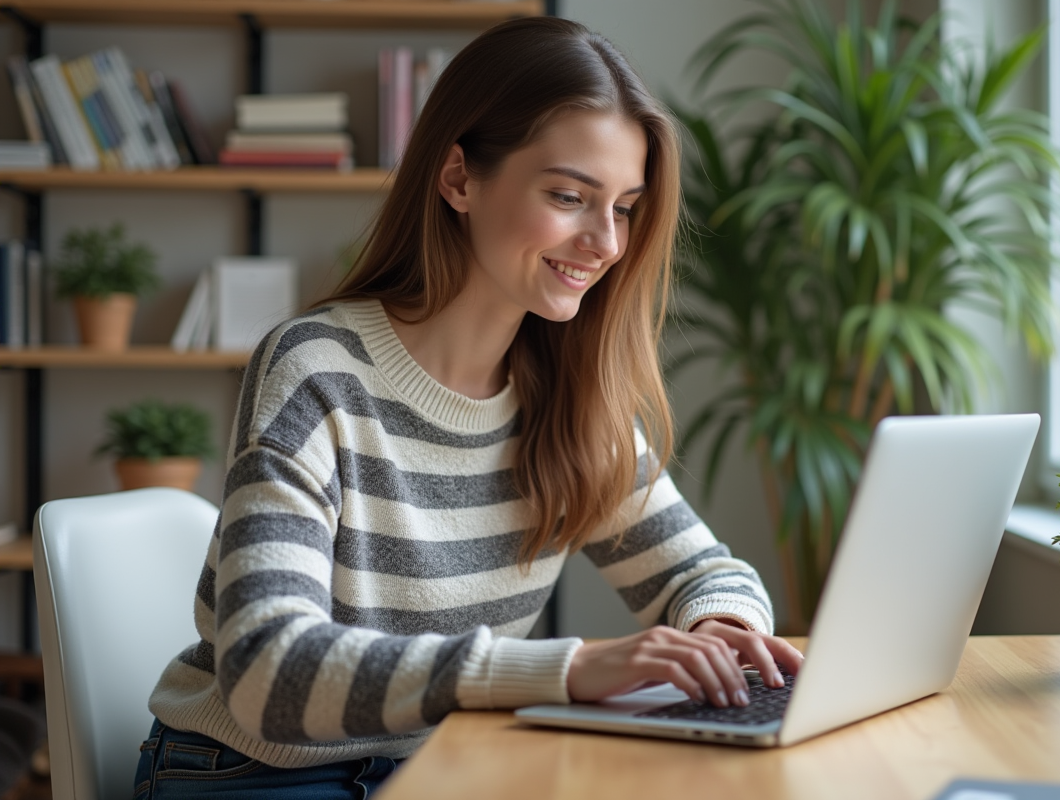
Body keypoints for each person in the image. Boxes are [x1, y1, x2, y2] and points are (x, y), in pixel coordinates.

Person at [133, 16, 804, 799]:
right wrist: (568, 670)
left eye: (623, 207)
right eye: (568, 196)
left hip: (436, 766)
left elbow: (703, 571)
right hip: (252, 774)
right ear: (458, 179)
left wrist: (721, 634)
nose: (606, 242)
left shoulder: (566, 395)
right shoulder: (317, 369)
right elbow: (266, 669)